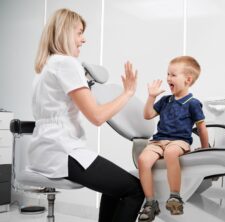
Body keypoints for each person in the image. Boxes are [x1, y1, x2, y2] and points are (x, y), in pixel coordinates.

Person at [30, 8, 144, 222]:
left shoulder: (47, 67)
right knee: (135, 190)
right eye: (79, 32)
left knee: (114, 188)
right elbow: (97, 116)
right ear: (65, 32)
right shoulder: (67, 64)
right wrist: (127, 93)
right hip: (62, 151)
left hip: (44, 150)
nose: (84, 40)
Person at [137, 56, 209, 221]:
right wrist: (151, 97)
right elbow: (147, 115)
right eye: (167, 74)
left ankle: (175, 196)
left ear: (188, 80)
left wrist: (205, 149)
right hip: (158, 141)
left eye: (173, 75)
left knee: (171, 153)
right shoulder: (164, 100)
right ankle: (150, 202)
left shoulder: (193, 103)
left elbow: (201, 128)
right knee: (143, 160)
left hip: (179, 142)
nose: (168, 78)